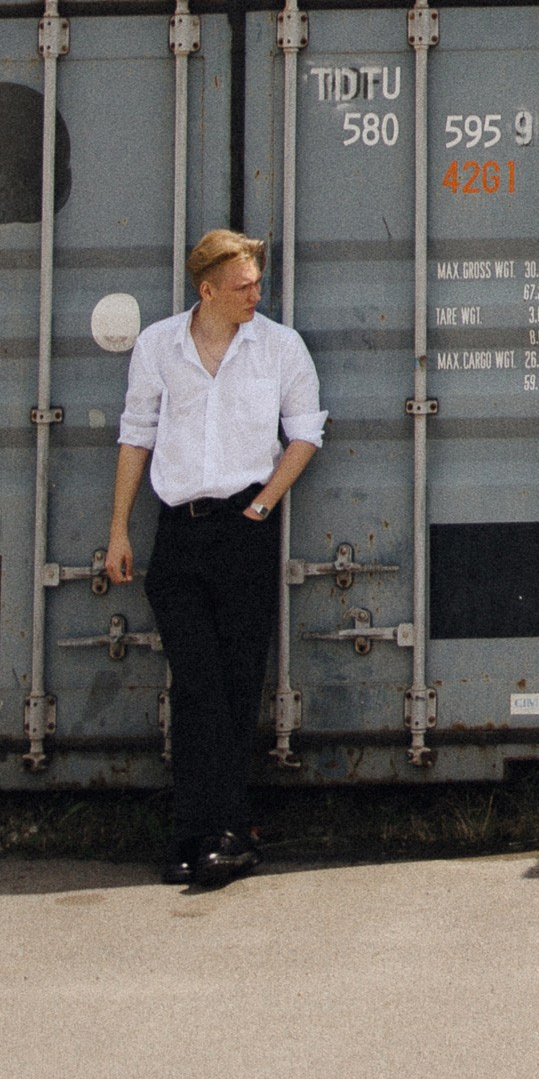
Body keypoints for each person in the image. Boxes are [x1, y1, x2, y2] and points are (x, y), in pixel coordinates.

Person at [107, 227, 326, 889]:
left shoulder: (280, 347)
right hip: (178, 533)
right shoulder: (159, 346)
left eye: (258, 282)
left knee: (233, 688)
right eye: (243, 286)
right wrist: (119, 528)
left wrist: (261, 507)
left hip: (242, 533)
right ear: (207, 291)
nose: (256, 294)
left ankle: (217, 836)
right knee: (196, 686)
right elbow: (136, 434)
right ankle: (203, 832)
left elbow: (306, 432)